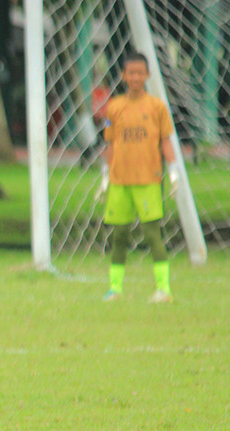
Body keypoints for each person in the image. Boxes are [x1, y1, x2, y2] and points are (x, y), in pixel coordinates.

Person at [99, 51, 177, 303]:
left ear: (147, 75)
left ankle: (163, 289)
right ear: (123, 75)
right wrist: (105, 175)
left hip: (148, 180)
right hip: (120, 180)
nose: (135, 77)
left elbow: (166, 141)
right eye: (131, 73)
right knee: (119, 235)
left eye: (140, 73)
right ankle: (115, 289)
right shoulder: (114, 107)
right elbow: (110, 144)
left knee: (152, 233)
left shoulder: (157, 107)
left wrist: (173, 171)